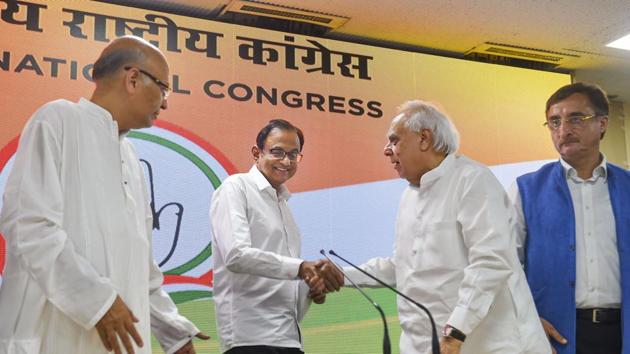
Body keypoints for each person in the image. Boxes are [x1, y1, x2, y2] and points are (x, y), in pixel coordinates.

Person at [0, 36, 208, 354]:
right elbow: (29, 225)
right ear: (133, 78)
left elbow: (141, 264)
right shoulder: (58, 119)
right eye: (164, 89)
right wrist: (96, 301)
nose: (165, 103)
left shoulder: (131, 158)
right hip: (54, 337)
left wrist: (174, 332)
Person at [343, 100, 550, 354]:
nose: (387, 150)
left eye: (394, 140)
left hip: (486, 344)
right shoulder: (409, 196)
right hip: (425, 345)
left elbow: (491, 262)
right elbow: (403, 267)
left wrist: (455, 333)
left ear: (424, 139)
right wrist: (340, 275)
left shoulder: (472, 180)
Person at [509, 82, 630, 354]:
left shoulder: (627, 186)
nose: (563, 130)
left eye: (576, 118)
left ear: (602, 123)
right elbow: (506, 265)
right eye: (554, 122)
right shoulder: (526, 189)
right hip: (555, 334)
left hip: (622, 332)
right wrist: (526, 320)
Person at [210, 119, 343, 354]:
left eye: (294, 155)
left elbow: (285, 280)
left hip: (289, 339)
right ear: (256, 153)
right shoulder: (236, 187)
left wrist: (311, 287)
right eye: (277, 152)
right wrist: (302, 268)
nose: (286, 161)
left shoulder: (285, 207)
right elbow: (236, 255)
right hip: (249, 340)